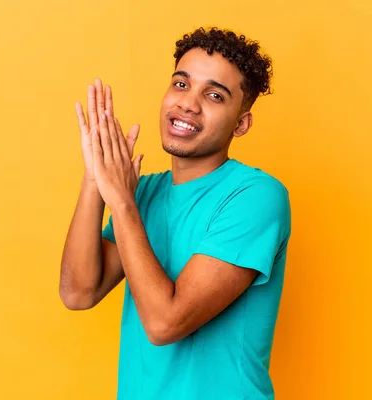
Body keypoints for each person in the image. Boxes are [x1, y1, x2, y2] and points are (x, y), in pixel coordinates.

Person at [59, 27, 291, 400]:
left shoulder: (257, 197)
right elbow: (78, 292)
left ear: (241, 123)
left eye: (214, 95)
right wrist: (95, 177)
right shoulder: (143, 193)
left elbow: (166, 323)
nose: (188, 104)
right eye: (181, 85)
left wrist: (120, 200)